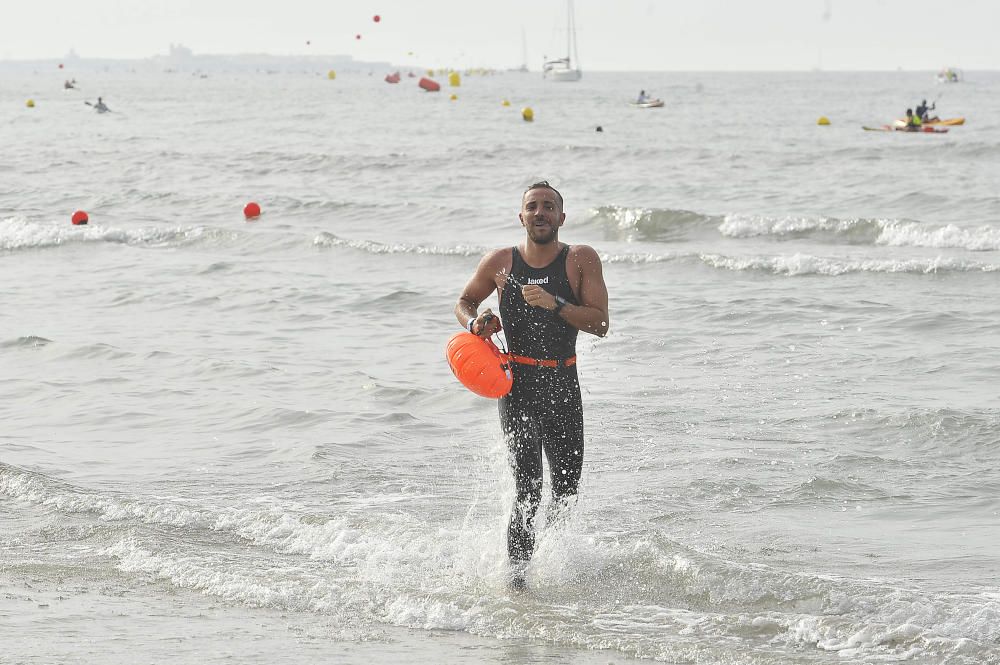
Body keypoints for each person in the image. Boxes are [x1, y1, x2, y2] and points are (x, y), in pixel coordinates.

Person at [454, 181, 610, 590]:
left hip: (561, 383)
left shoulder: (579, 260)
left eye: (548, 207)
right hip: (517, 388)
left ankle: (556, 565)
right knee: (527, 486)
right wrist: (476, 323)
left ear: (561, 217)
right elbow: (465, 301)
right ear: (520, 216)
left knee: (566, 488)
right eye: (532, 206)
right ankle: (518, 582)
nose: (540, 213)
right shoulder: (501, 263)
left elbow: (601, 323)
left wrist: (555, 304)